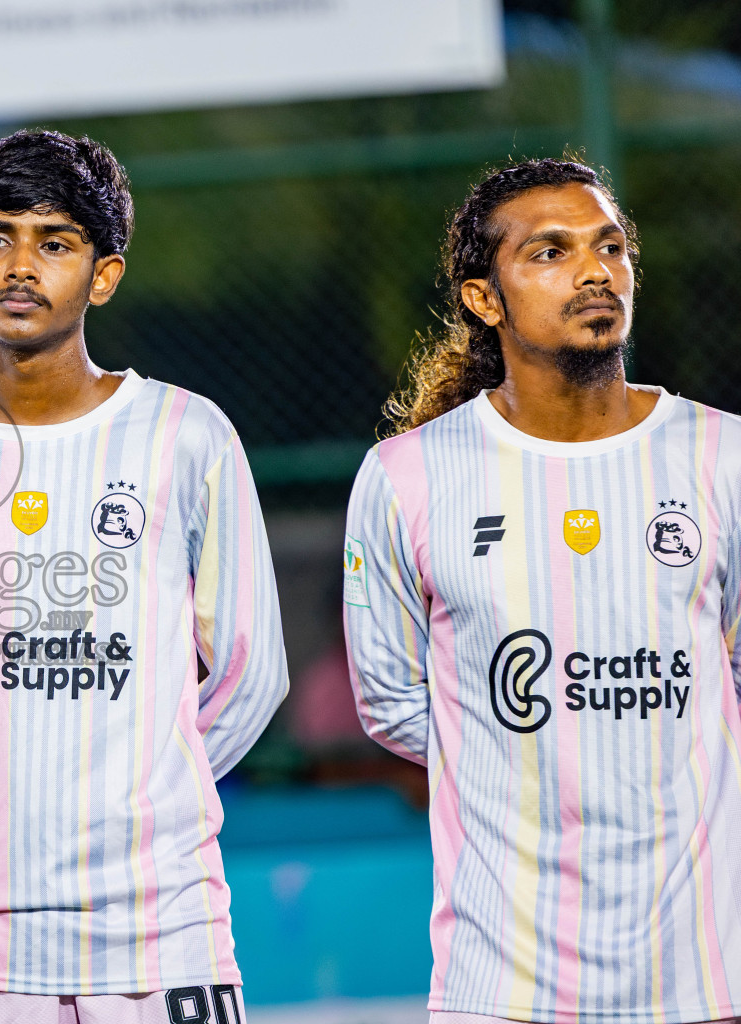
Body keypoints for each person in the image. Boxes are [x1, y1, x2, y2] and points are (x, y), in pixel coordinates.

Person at [0, 130, 288, 1023]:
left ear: (102, 275)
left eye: (54, 242)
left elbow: (253, 671)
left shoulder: (187, 433)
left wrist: (148, 789)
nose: (21, 266)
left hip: (161, 924)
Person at [344, 157, 741, 1023]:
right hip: (504, 975)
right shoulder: (407, 476)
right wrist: (524, 755)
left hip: (706, 966)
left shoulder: (724, 456)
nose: (595, 272)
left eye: (610, 247)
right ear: (485, 299)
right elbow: (393, 699)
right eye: (551, 252)